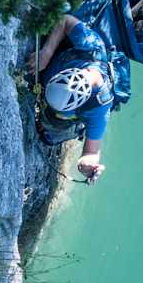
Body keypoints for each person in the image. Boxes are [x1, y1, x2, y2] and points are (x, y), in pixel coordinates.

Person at [29, 13, 114, 183]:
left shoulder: (98, 109)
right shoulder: (90, 46)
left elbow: (91, 151)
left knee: (51, 131)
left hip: (59, 114)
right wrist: (47, 51)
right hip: (49, 80)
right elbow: (65, 20)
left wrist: (86, 166)